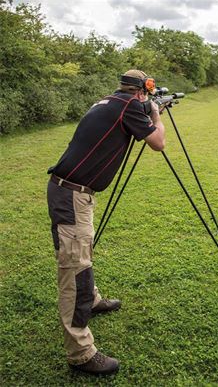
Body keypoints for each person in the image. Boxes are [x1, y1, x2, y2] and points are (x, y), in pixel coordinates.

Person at [46, 69, 166, 375]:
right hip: (72, 195)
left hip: (73, 193)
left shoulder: (109, 102)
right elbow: (158, 142)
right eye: (147, 95)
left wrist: (148, 107)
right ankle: (81, 353)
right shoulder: (130, 106)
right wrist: (156, 112)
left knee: (81, 255)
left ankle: (94, 300)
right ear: (141, 92)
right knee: (75, 271)